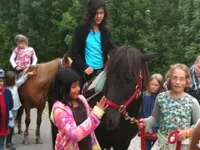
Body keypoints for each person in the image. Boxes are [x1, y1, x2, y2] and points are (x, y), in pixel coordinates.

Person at [137, 63, 200, 150]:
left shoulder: (192, 102)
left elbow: (198, 127)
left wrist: (187, 132)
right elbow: (155, 118)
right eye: (174, 78)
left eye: (181, 79)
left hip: (182, 146)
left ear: (186, 81)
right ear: (169, 79)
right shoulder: (161, 97)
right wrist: (146, 122)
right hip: (163, 144)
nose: (178, 82)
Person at [49, 68, 107, 150]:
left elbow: (91, 118)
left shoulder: (81, 99)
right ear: (64, 88)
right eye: (74, 87)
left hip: (87, 145)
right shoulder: (60, 110)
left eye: (78, 85)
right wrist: (97, 114)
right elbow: (75, 134)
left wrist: (102, 109)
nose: (78, 89)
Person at [69, 0, 115, 85]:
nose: (99, 16)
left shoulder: (106, 32)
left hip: (101, 73)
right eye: (96, 13)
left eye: (101, 13)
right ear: (90, 13)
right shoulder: (80, 30)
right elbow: (73, 53)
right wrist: (84, 67)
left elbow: (112, 50)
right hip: (83, 74)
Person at [4, 70, 35, 149]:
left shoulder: (15, 85)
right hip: (9, 110)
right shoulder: (6, 90)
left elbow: (22, 80)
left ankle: (8, 139)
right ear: (10, 81)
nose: (16, 80)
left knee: (11, 124)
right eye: (14, 79)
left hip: (15, 108)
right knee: (10, 124)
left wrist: (28, 74)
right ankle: (8, 143)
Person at [140, 73, 163, 150]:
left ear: (160, 86)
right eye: (152, 84)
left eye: (156, 85)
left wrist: (154, 129)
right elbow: (142, 112)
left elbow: (162, 116)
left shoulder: (162, 98)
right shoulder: (144, 95)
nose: (153, 86)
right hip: (146, 127)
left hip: (158, 129)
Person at [0, 69, 13, 150]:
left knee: (1, 144)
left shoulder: (7, 92)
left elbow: (11, 105)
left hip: (3, 125)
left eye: (1, 80)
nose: (0, 83)